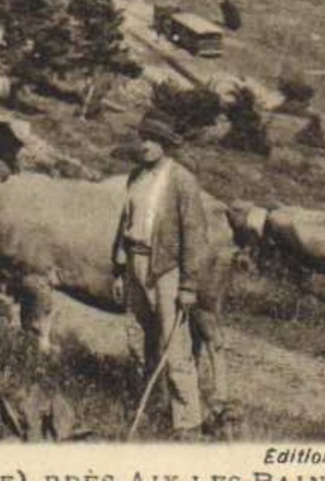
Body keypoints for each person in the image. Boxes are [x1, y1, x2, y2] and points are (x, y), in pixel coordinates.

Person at [111, 116, 208, 438]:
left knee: (175, 345)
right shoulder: (136, 176)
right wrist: (119, 268)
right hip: (135, 264)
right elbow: (124, 223)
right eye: (142, 138)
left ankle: (188, 421)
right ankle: (150, 402)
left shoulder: (182, 180)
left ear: (165, 145)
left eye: (151, 139)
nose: (144, 145)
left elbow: (194, 235)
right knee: (141, 338)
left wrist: (189, 285)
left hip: (166, 269)